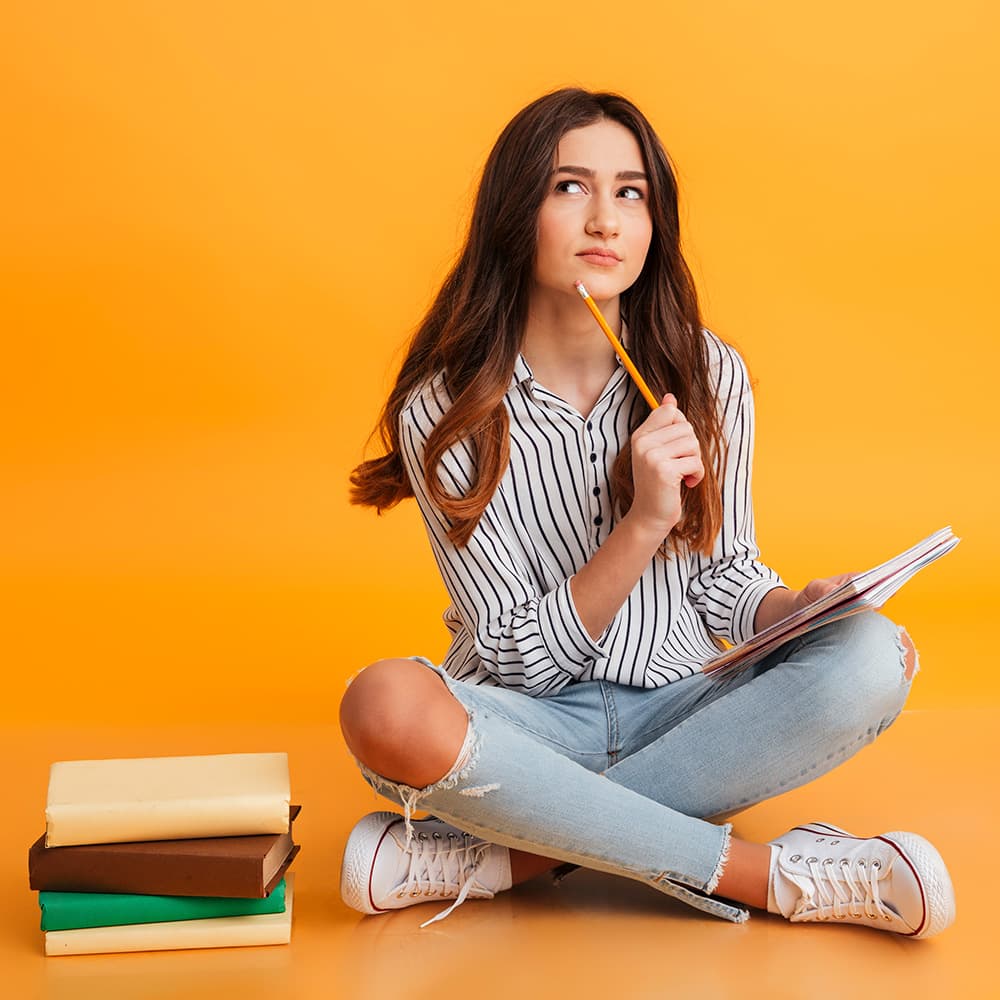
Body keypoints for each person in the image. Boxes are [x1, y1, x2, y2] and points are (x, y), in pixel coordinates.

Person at [338, 88, 955, 937]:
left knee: (874, 656)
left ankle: (511, 855)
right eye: (570, 187)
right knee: (384, 705)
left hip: (685, 707)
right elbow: (520, 661)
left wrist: (795, 611)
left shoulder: (708, 375)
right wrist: (639, 528)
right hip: (528, 728)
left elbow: (725, 582)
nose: (605, 220)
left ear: (654, 221)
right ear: (517, 212)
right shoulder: (446, 411)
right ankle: (766, 876)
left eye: (630, 193)